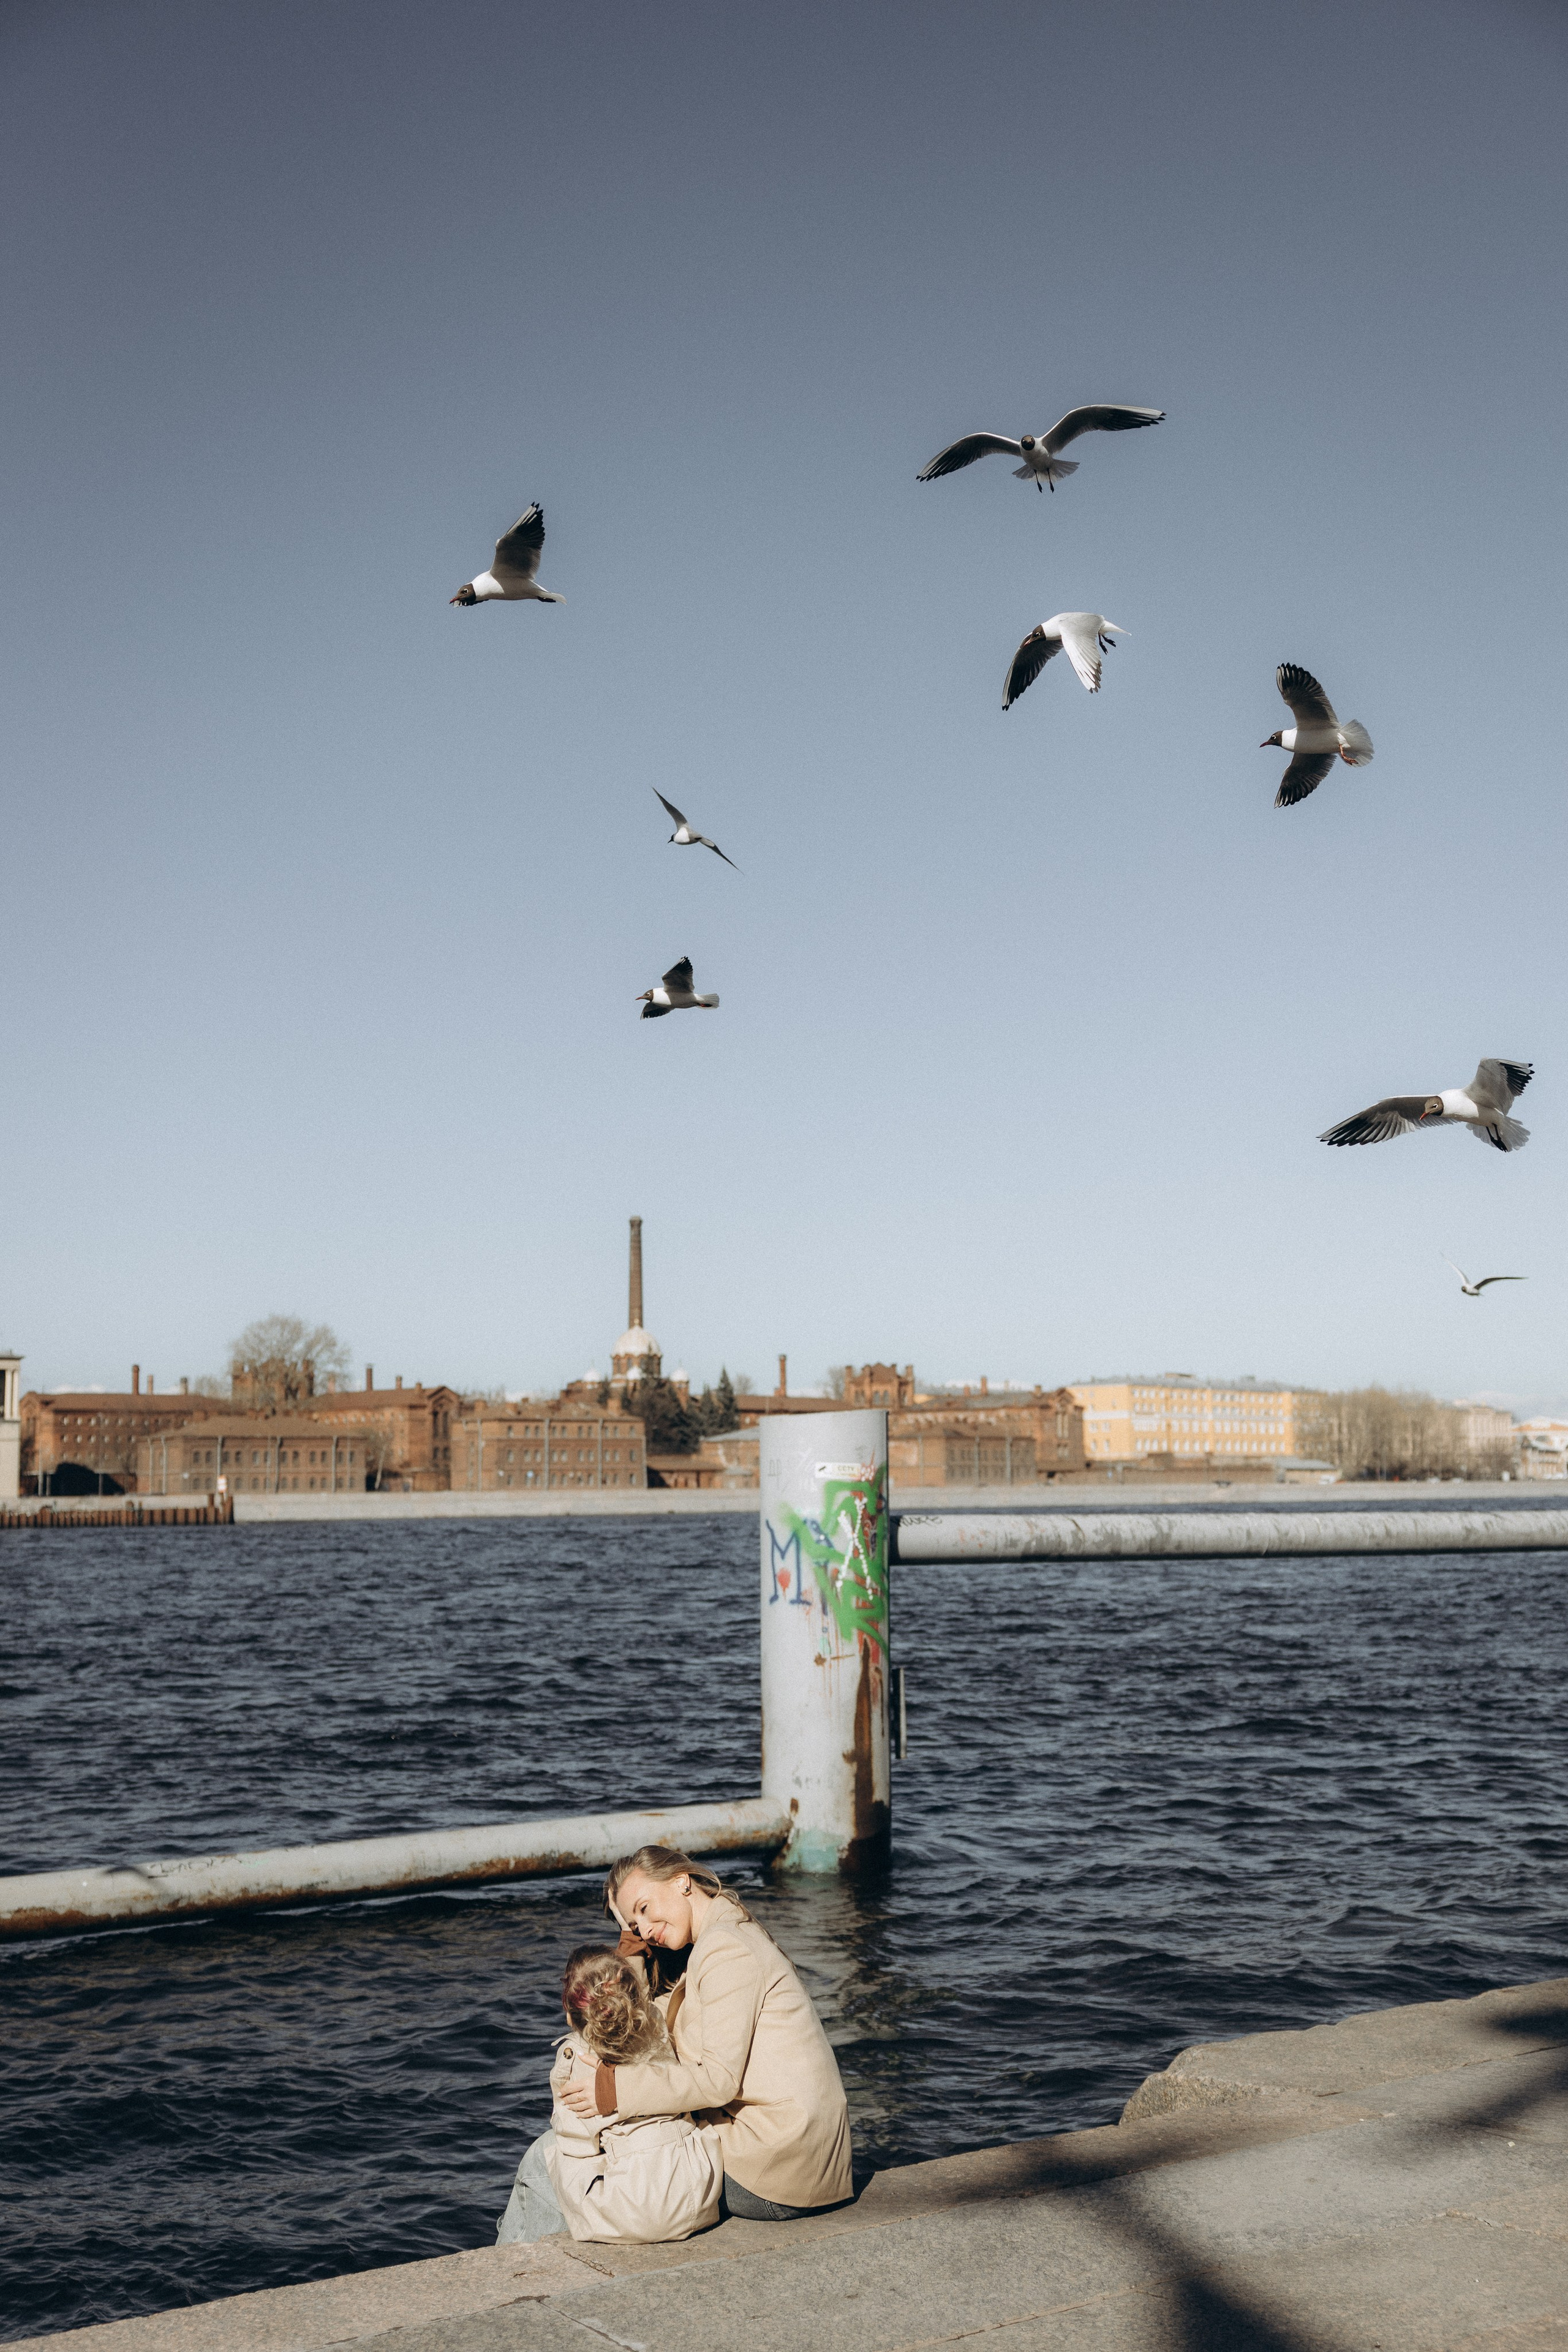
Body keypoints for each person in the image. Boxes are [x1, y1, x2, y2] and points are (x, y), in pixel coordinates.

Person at [555, 1845, 853, 2223]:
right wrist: (630, 1943)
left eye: (644, 1909)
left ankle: (529, 2274)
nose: (644, 1931)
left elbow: (717, 2082)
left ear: (681, 1881)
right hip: (794, 2159)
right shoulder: (725, 1934)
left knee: (561, 2164)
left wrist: (616, 2092)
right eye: (634, 1926)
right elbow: (641, 2025)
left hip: (777, 2170)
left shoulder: (727, 1950)